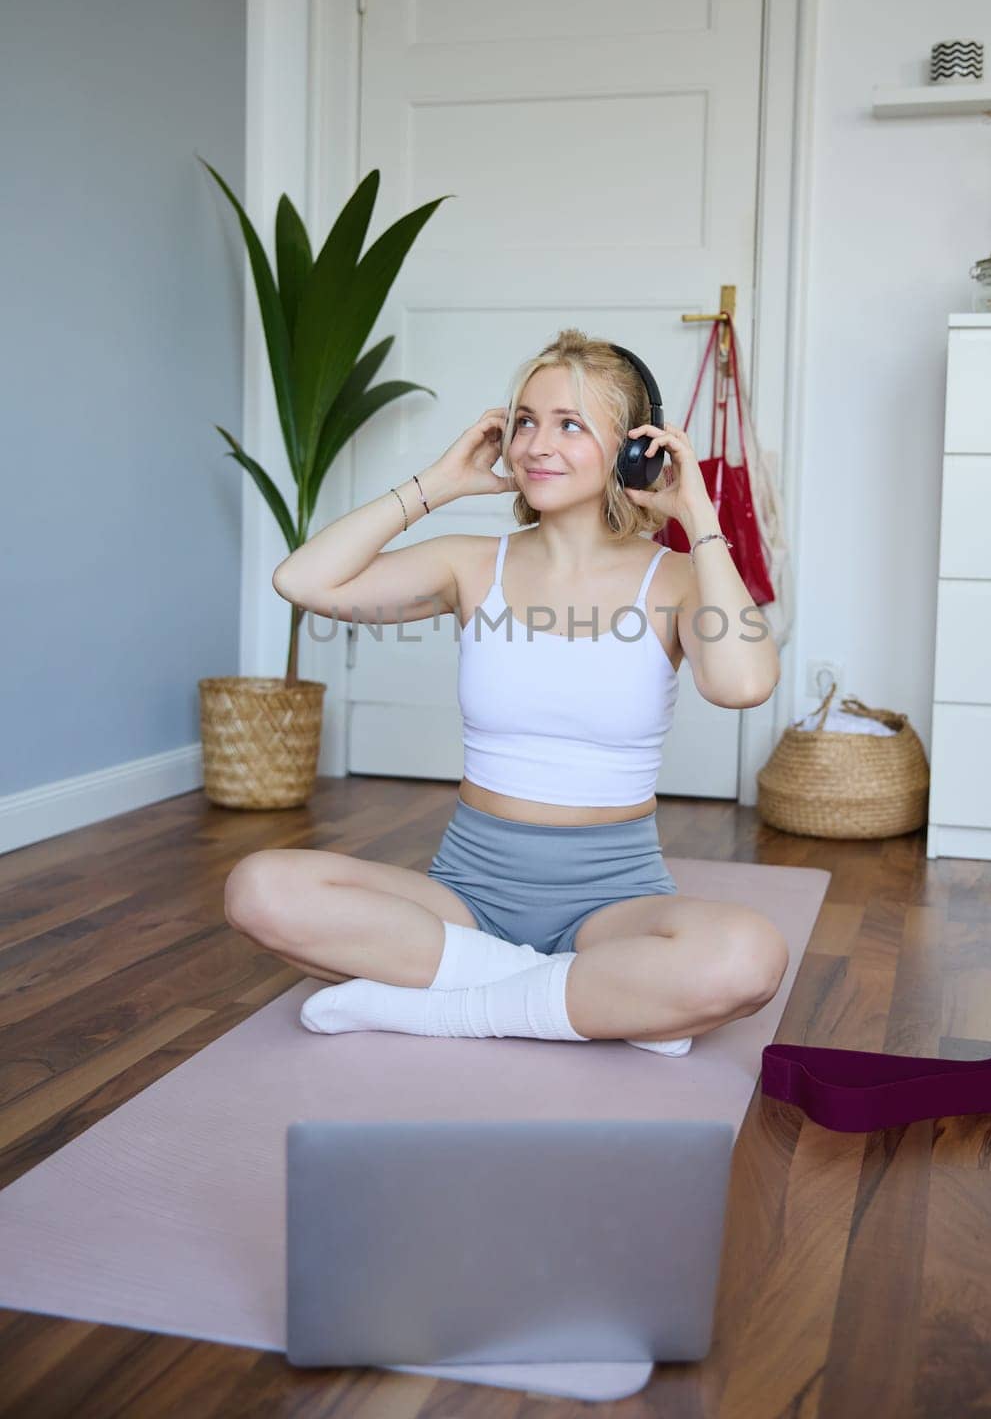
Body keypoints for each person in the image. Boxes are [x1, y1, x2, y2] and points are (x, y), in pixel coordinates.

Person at [224, 328, 787, 1056]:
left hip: (612, 900)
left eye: (569, 424)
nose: (534, 445)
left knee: (746, 957)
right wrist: (440, 483)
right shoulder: (467, 564)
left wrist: (697, 515)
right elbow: (301, 582)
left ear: (634, 449)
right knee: (258, 890)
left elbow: (741, 684)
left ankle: (446, 1006)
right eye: (524, 420)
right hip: (464, 894)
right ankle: (578, 995)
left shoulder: (675, 579)